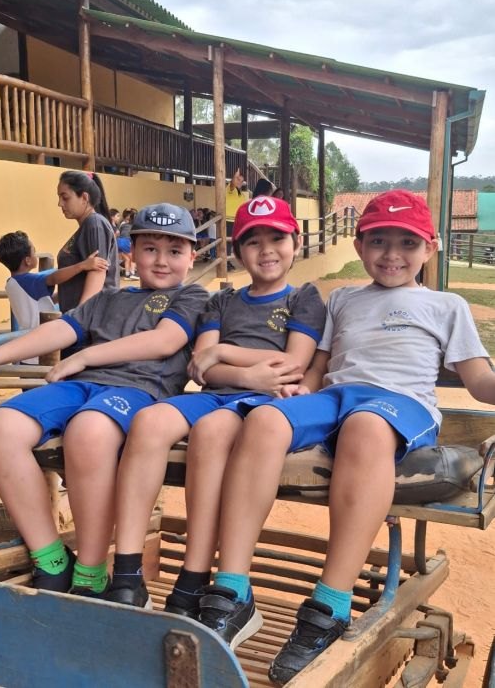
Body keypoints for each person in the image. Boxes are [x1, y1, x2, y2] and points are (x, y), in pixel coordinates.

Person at [195, 189, 495, 685]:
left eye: (407, 243)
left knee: (365, 426)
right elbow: (319, 366)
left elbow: (479, 380)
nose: (392, 254)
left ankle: (329, 606)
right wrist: (299, 397)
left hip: (399, 404)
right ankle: (233, 588)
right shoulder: (344, 299)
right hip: (337, 396)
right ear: (359, 246)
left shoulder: (446, 305)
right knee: (265, 419)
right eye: (378, 241)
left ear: (430, 248)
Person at [0, 203, 208, 599]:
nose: (162, 260)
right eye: (150, 249)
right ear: (132, 252)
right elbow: (61, 330)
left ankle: (91, 571)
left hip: (140, 390)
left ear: (192, 257)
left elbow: (165, 340)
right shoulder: (107, 299)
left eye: (174, 251)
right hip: (82, 387)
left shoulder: (192, 296)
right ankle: (51, 559)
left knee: (88, 431)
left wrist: (84, 356)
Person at [105, 196, 326, 613]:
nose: (266, 250)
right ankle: (127, 572)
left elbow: (292, 364)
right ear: (237, 251)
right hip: (221, 392)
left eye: (277, 239)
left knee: (211, 431)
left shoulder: (303, 298)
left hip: (263, 405)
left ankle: (193, 577)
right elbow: (200, 367)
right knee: (149, 421)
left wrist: (224, 352)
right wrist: (244, 373)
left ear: (296, 243)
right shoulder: (222, 301)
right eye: (253, 241)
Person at [0, 230, 109, 335]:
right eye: (34, 251)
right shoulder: (28, 281)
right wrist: (82, 266)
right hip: (42, 335)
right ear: (27, 261)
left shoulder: (11, 283)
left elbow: (40, 301)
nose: (35, 254)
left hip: (28, 334)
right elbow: (53, 278)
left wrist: (65, 294)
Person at [56, 170, 118, 313]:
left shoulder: (94, 223)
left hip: (91, 316)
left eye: (65, 198)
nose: (59, 203)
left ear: (84, 197)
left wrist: (78, 317)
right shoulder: (87, 226)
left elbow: (98, 272)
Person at [226, 168, 248, 270]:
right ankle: (225, 262)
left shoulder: (241, 194)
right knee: (227, 242)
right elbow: (232, 184)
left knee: (236, 241)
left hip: (238, 221)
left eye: (241, 181)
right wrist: (235, 177)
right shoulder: (230, 189)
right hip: (228, 220)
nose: (239, 182)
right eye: (238, 180)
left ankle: (230, 260)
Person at [117, 208, 139, 280]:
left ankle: (127, 274)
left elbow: (119, 232)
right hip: (126, 241)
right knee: (133, 257)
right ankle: (132, 273)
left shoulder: (123, 224)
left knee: (127, 259)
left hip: (119, 241)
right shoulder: (134, 226)